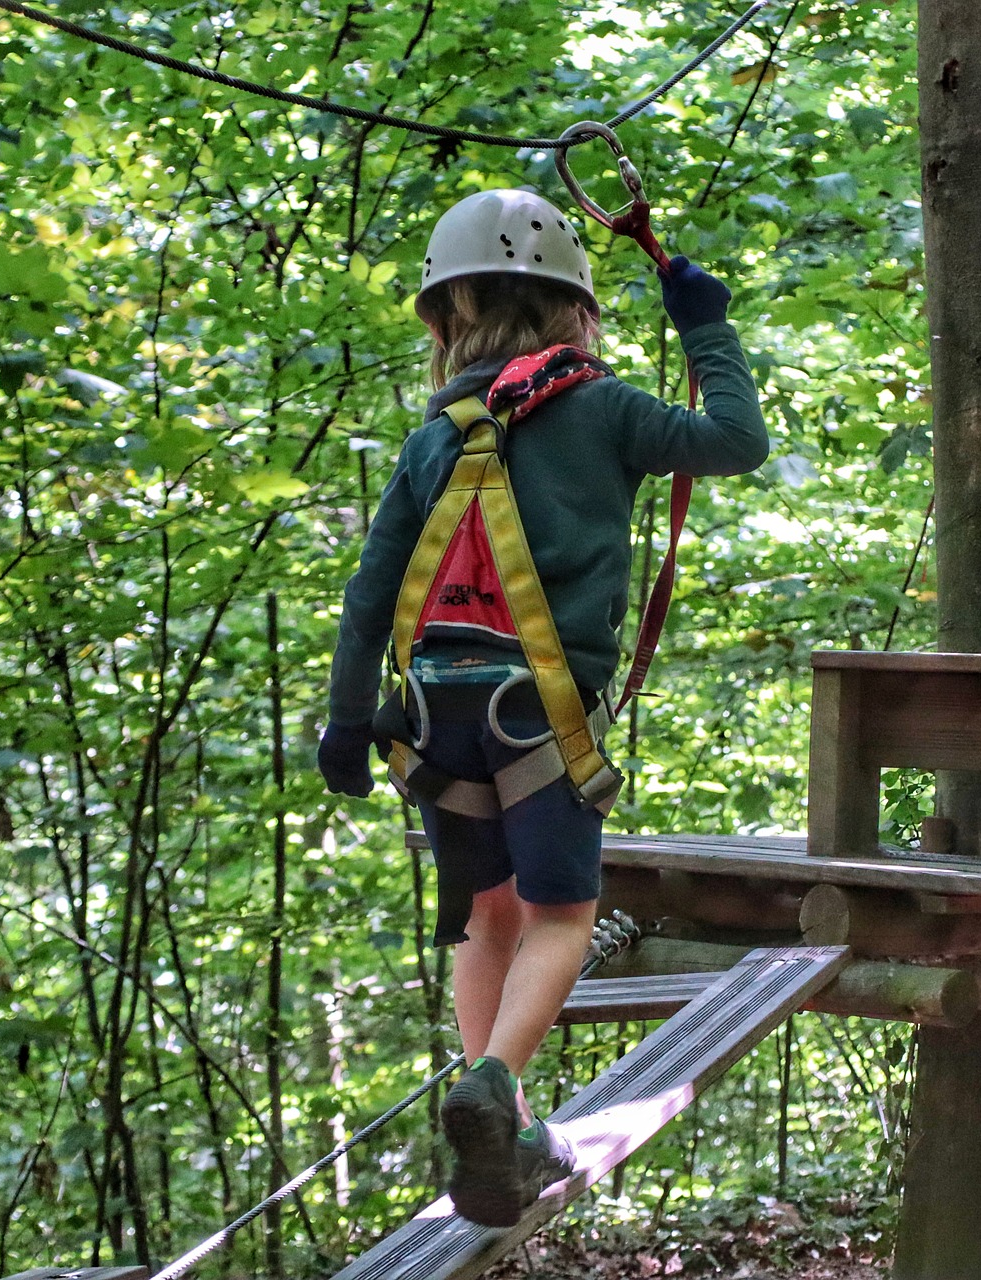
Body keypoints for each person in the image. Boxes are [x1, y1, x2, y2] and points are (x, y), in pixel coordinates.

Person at [316, 188, 767, 1227]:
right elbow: (735, 439)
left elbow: (372, 588)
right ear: (576, 309)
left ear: (448, 316)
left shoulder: (436, 439)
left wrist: (347, 718)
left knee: (487, 913)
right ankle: (491, 1090)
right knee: (563, 915)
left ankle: (505, 1131)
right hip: (542, 712)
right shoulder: (606, 409)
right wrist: (706, 322)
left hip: (434, 717)